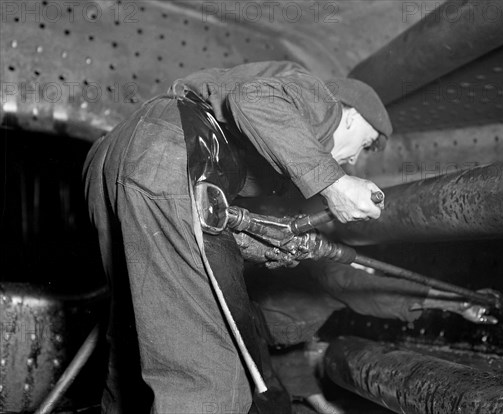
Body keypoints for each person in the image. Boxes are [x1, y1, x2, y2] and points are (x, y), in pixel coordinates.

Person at [83, 60, 392, 414]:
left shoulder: (281, 144)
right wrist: (335, 183)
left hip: (117, 154)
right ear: (350, 116)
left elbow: (216, 214)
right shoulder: (323, 105)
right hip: (171, 149)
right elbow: (253, 97)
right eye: (364, 143)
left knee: (132, 332)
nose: (354, 159)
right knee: (212, 379)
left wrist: (266, 243)